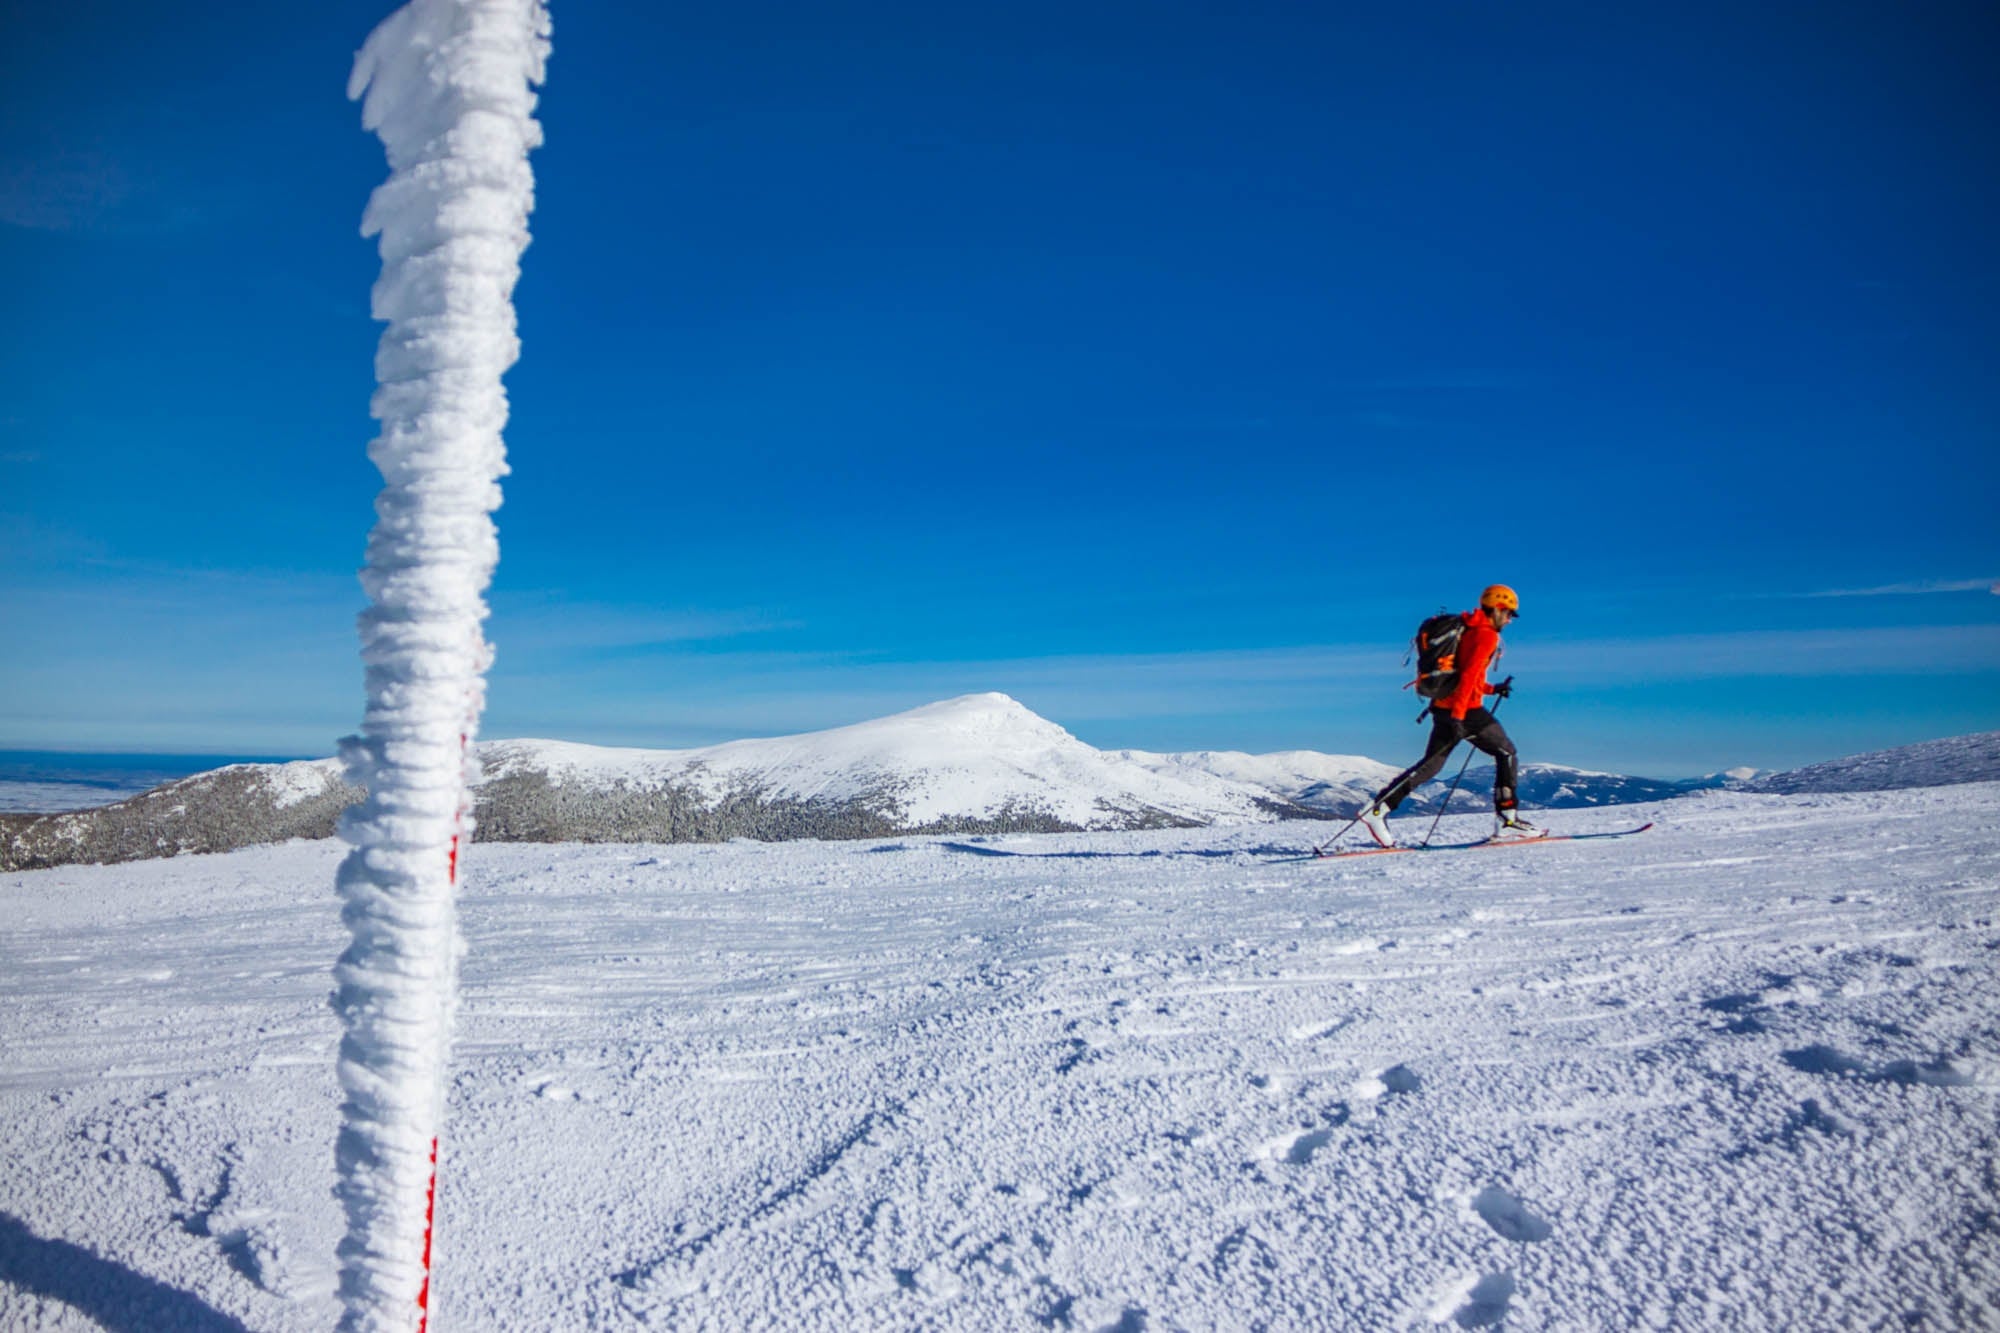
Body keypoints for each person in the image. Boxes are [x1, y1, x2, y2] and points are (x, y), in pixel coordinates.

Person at [1356, 584, 1541, 847]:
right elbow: (1467, 678)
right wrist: (1458, 716)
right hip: (1464, 711)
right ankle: (1507, 820)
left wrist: (1492, 689)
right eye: (1509, 613)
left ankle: (1378, 809)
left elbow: (1466, 675)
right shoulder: (1486, 635)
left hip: (1444, 706)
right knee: (1507, 753)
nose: (1510, 620)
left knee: (1430, 766)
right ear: (1498, 609)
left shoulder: (1469, 629)